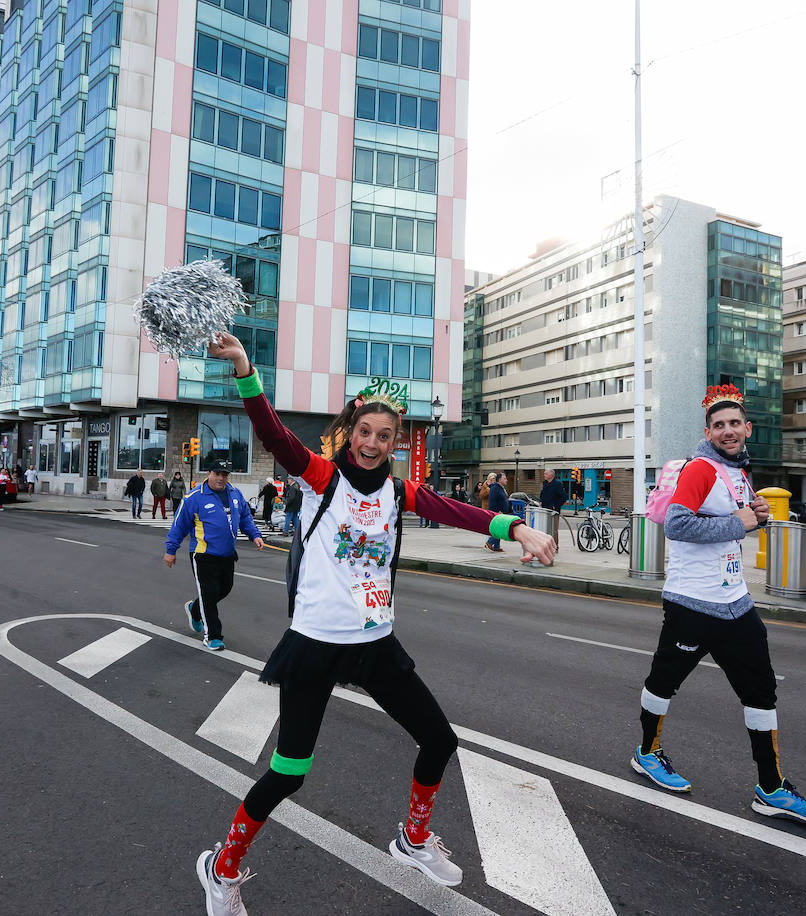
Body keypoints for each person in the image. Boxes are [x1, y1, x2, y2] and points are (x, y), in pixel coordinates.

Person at [193, 331, 557, 914]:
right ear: (349, 432)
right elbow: (273, 435)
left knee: (439, 739)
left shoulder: (395, 490)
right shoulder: (318, 477)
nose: (372, 443)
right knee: (289, 773)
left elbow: (456, 510)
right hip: (315, 644)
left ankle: (412, 840)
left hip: (374, 644)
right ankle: (222, 865)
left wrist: (516, 529)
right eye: (364, 432)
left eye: (384, 436)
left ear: (395, 444)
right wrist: (244, 368)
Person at [630, 384, 806, 824]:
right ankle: (647, 752)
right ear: (709, 430)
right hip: (693, 603)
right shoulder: (701, 468)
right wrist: (738, 521)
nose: (728, 431)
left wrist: (756, 518)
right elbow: (679, 525)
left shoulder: (738, 472)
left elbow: (731, 526)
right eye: (719, 425)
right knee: (664, 682)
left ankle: (772, 788)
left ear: (747, 428)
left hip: (736, 603)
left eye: (734, 424)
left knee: (761, 690)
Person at [164, 457, 264, 651]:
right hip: (203, 554)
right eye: (217, 474)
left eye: (225, 474)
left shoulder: (235, 494)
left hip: (227, 554)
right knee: (209, 594)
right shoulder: (194, 497)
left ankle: (195, 608)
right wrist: (171, 550)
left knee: (225, 588)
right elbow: (179, 525)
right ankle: (212, 636)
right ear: (209, 473)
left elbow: (244, 517)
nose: (221, 478)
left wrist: (255, 535)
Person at [539, 468, 568, 545]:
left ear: (551, 475)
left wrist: (555, 506)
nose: (544, 475)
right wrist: (541, 501)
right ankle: (546, 545)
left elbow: (564, 497)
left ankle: (555, 546)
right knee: (545, 528)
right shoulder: (545, 483)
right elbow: (543, 494)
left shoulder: (558, 484)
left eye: (546, 474)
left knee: (554, 529)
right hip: (544, 509)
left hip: (553, 511)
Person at [484, 473, 509, 552]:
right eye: (504, 478)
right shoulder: (495, 488)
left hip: (501, 512)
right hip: (497, 513)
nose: (506, 480)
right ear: (500, 480)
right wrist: (497, 512)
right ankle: (490, 542)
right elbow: (492, 501)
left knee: (498, 528)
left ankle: (496, 546)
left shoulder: (501, 488)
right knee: (499, 529)